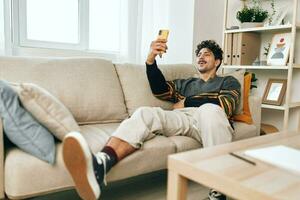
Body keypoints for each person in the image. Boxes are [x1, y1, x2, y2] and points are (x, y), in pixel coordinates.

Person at [62, 39, 241, 200]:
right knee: (145, 113)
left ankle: (218, 190)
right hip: (184, 118)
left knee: (210, 109)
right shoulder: (185, 83)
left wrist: (187, 100)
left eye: (207, 54)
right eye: (199, 54)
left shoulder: (228, 82)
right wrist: (151, 60)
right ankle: (101, 163)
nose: (201, 57)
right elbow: (159, 89)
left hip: (212, 118)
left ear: (217, 61)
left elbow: (225, 105)